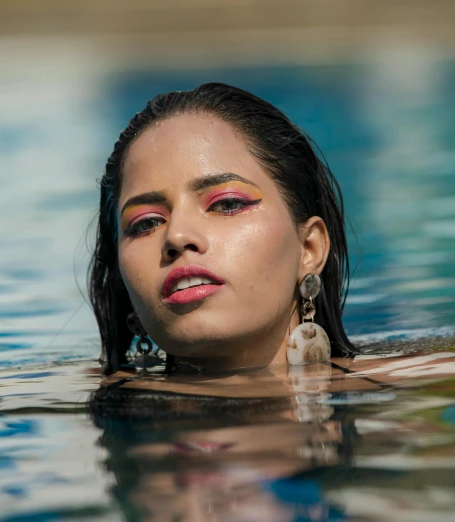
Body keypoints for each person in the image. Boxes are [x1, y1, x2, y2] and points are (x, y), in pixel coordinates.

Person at [88, 82, 357, 376]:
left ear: (309, 248)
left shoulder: (399, 390)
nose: (176, 235)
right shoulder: (73, 399)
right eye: (146, 223)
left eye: (227, 204)